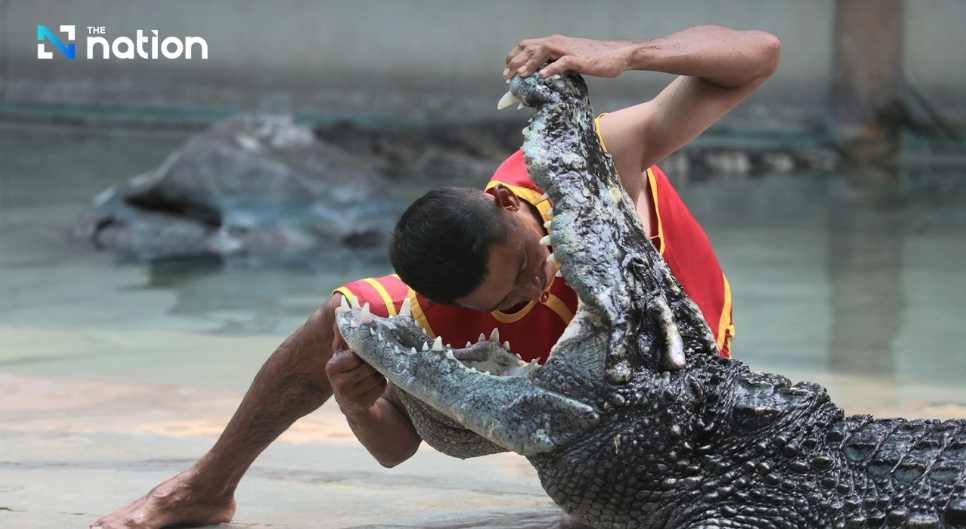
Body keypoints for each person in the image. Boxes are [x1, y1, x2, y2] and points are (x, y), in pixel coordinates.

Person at [91, 26, 780, 529]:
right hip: (549, 394)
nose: (537, 290)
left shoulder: (583, 177)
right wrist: (356, 402)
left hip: (678, 370)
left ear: (509, 205)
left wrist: (625, 56)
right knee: (341, 321)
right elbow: (395, 449)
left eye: (527, 265)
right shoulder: (437, 316)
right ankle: (206, 489)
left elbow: (760, 54)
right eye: (509, 298)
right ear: (452, 301)